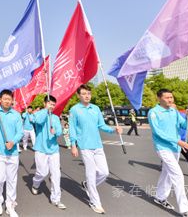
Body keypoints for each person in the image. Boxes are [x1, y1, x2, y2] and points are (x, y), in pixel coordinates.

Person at [69, 84, 122, 214]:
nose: (87, 96)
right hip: (85, 146)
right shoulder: (74, 110)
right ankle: (95, 202)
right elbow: (72, 128)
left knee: (104, 172)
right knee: (91, 174)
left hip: (98, 145)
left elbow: (101, 125)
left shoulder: (96, 108)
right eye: (84, 94)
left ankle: (87, 185)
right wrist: (73, 145)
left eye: (89, 93)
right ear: (78, 95)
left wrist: (113, 130)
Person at [148, 89, 188, 217]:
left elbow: (184, 125)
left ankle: (160, 197)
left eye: (171, 97)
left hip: (175, 148)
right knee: (177, 175)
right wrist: (178, 141)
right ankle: (185, 209)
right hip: (163, 148)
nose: (170, 99)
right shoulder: (153, 112)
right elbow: (158, 132)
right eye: (167, 97)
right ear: (159, 98)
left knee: (167, 173)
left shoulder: (174, 111)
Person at [29, 95, 66, 210]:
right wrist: (45, 110)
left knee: (56, 174)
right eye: (50, 103)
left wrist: (55, 131)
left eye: (54, 105)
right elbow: (37, 121)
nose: (52, 106)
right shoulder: (39, 114)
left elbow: (59, 131)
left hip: (54, 150)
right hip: (41, 149)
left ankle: (56, 199)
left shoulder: (55, 118)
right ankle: (35, 183)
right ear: (45, 103)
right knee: (42, 172)